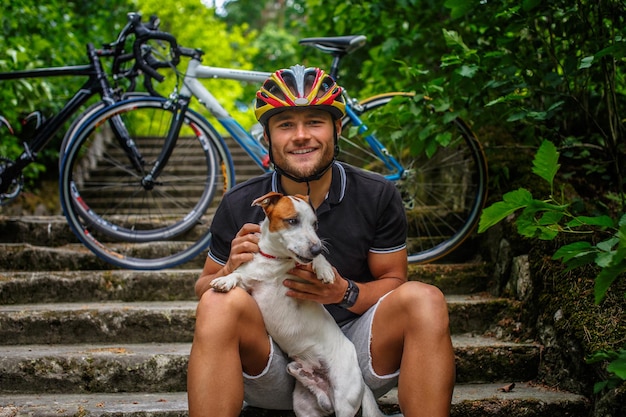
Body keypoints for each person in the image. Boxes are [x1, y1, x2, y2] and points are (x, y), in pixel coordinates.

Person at [187, 65, 455, 417]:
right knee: (216, 304)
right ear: (266, 137)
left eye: (315, 121)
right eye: (285, 125)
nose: (301, 135)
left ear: (337, 128)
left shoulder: (377, 194)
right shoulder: (241, 203)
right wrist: (230, 266)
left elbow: (394, 281)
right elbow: (204, 286)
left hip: (350, 353)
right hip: (268, 360)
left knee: (425, 299)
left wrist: (344, 292)